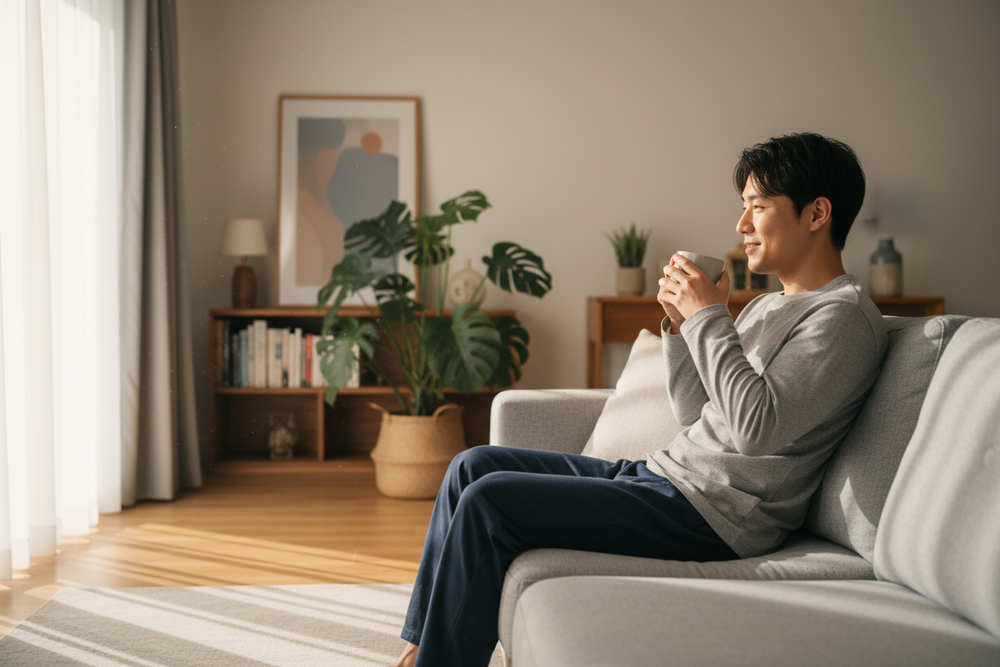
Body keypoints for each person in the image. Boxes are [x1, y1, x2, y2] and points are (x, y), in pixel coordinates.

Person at [390, 132, 888, 667]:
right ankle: (421, 649)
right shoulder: (771, 306)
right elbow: (701, 414)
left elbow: (756, 429)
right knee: (472, 466)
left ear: (817, 213)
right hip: (664, 478)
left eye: (757, 207)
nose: (741, 226)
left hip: (713, 514)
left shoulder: (841, 319)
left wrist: (707, 317)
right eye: (742, 208)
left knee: (490, 504)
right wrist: (680, 330)